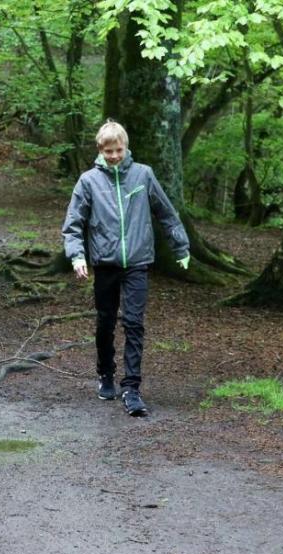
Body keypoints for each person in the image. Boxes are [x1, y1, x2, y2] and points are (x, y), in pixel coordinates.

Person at [61, 119, 190, 417]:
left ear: (126, 147)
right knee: (105, 322)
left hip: (138, 262)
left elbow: (166, 212)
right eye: (108, 151)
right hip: (105, 263)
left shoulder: (143, 175)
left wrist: (181, 246)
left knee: (134, 323)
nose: (114, 156)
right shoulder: (88, 181)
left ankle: (131, 387)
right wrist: (77, 256)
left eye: (118, 149)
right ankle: (105, 372)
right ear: (100, 150)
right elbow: (73, 224)